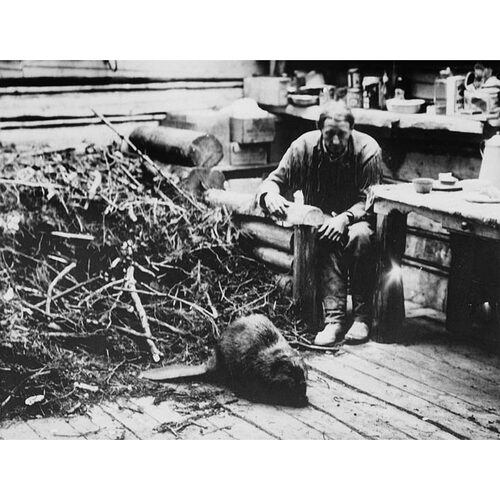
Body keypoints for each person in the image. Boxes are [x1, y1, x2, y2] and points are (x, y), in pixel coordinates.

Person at [259, 101, 383, 346]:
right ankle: (334, 320)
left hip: (358, 219)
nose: (336, 141)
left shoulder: (368, 150)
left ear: (352, 130)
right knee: (325, 233)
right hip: (322, 220)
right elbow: (274, 180)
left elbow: (370, 200)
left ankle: (362, 318)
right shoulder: (302, 147)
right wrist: (269, 194)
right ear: (319, 129)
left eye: (342, 135)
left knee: (359, 236)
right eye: (329, 134)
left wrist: (344, 218)